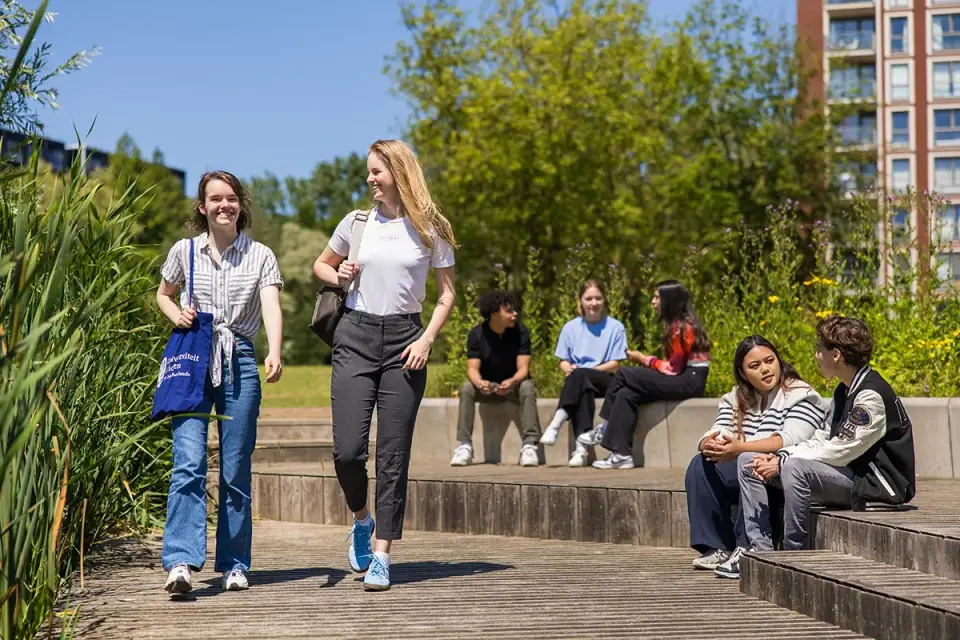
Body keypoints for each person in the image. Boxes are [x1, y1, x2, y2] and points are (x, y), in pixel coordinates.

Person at [313, 139, 456, 591]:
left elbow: (447, 294)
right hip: (353, 337)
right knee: (348, 451)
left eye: (377, 171)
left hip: (406, 342)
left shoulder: (430, 228)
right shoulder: (356, 223)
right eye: (369, 172)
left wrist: (427, 340)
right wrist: (338, 276)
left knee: (394, 455)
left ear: (398, 170)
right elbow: (320, 265)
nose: (370, 179)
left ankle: (381, 554)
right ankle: (361, 519)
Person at [158, 171, 284, 594]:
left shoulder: (260, 255)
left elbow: (271, 304)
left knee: (235, 469)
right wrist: (176, 314)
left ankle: (234, 564)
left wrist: (275, 350)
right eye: (215, 199)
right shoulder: (184, 251)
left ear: (240, 204)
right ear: (202, 207)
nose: (224, 205)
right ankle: (179, 562)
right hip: (194, 359)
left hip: (241, 359)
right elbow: (163, 293)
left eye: (231, 198)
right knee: (188, 463)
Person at [730, 316, 916, 580]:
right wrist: (779, 455)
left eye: (820, 349)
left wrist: (783, 462)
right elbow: (822, 438)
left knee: (794, 468)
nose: (817, 356)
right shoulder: (845, 391)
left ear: (836, 355)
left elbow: (842, 450)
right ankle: (760, 551)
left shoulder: (870, 395)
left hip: (877, 486)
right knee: (749, 459)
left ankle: (795, 559)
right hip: (849, 475)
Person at [684, 335, 825, 579]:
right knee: (701, 463)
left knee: (745, 459)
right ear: (742, 372)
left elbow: (789, 438)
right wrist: (710, 442)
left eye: (770, 361)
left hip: (781, 472)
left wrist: (740, 448)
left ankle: (748, 546)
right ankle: (717, 547)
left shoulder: (802, 394)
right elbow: (720, 428)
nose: (765, 369)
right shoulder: (736, 397)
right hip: (748, 464)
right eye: (755, 366)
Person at [578, 280, 710, 469]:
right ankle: (622, 454)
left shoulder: (682, 328)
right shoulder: (676, 325)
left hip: (689, 380)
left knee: (623, 373)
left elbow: (672, 370)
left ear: (669, 301)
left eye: (657, 297)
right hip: (685, 378)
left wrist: (643, 359)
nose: (653, 302)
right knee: (626, 394)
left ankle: (605, 426)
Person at [539, 279, 628, 466]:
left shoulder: (615, 327)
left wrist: (585, 371)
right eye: (589, 298)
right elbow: (564, 360)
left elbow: (615, 363)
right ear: (580, 301)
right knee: (583, 388)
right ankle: (580, 449)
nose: (593, 303)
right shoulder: (570, 327)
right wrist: (567, 368)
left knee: (580, 376)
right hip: (580, 380)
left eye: (598, 298)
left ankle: (556, 424)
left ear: (604, 300)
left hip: (606, 379)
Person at [451, 290, 542, 467]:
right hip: (488, 387)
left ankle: (530, 445)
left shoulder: (521, 332)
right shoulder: (477, 334)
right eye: (509, 311)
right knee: (466, 388)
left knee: (528, 387)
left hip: (514, 386)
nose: (514, 314)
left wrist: (513, 381)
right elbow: (472, 369)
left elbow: (524, 368)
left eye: (514, 310)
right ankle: (465, 446)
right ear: (494, 314)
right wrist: (479, 383)